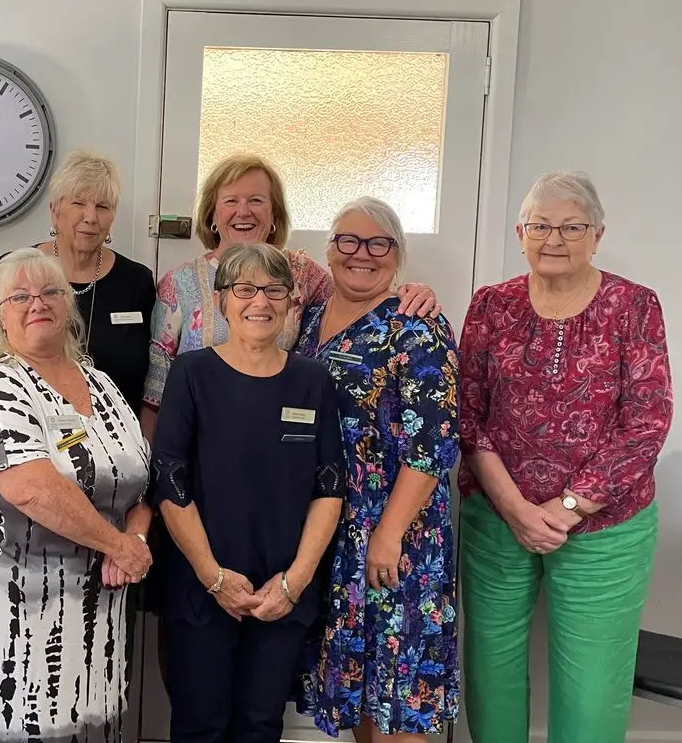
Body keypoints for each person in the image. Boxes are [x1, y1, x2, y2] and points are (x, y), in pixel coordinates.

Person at [457, 172, 672, 743]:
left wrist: (567, 508)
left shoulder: (634, 305)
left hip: (606, 527)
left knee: (592, 686)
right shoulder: (491, 304)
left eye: (573, 227)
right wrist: (515, 509)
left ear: (598, 235)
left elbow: (646, 423)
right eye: (541, 226)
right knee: (490, 674)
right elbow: (468, 415)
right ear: (520, 233)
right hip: (497, 518)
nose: (555, 239)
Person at [0, 248, 152, 743]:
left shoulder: (102, 384)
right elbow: (29, 488)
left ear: (68, 304)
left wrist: (135, 542)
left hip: (100, 605)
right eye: (20, 297)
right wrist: (117, 545)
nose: (38, 303)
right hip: (14, 607)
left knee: (86, 725)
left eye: (50, 292)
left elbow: (141, 482)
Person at [149, 243, 344, 743]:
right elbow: (169, 478)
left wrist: (294, 582)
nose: (260, 301)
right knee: (200, 726)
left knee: (260, 726)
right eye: (245, 289)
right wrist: (212, 576)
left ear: (291, 302)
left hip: (282, 591)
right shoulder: (192, 373)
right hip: (202, 587)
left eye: (274, 290)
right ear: (221, 301)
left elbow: (330, 486)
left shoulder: (313, 381)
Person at [298, 197, 461, 742]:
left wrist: (388, 534)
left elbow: (432, 445)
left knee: (398, 694)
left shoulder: (417, 327)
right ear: (329, 251)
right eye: (348, 240)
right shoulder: (310, 320)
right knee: (359, 688)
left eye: (378, 243)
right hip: (330, 526)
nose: (361, 254)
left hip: (396, 529)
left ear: (398, 254)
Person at [144, 152, 437, 435]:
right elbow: (154, 396)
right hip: (196, 438)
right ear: (212, 213)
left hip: (280, 440)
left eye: (256, 200)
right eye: (231, 200)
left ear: (274, 214)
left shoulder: (302, 273)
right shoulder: (179, 283)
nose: (243, 211)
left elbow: (356, 298)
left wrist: (406, 291)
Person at [0, 150, 156, 416]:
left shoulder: (137, 281)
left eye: (102, 206)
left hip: (116, 432)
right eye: (78, 203)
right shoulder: (13, 271)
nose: (90, 217)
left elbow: (151, 378)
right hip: (31, 426)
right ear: (54, 211)